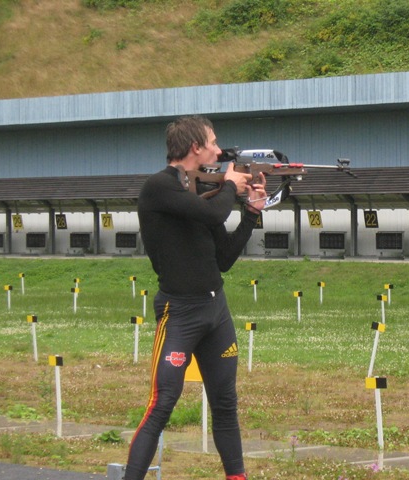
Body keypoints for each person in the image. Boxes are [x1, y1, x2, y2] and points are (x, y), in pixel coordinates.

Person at [124, 115, 267, 480]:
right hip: (180, 313)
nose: (219, 151)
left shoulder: (200, 194)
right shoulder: (159, 187)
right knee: (162, 404)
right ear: (195, 148)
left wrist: (251, 212)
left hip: (215, 311)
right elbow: (212, 209)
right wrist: (231, 188)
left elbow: (225, 259)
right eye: (214, 143)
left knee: (225, 405)